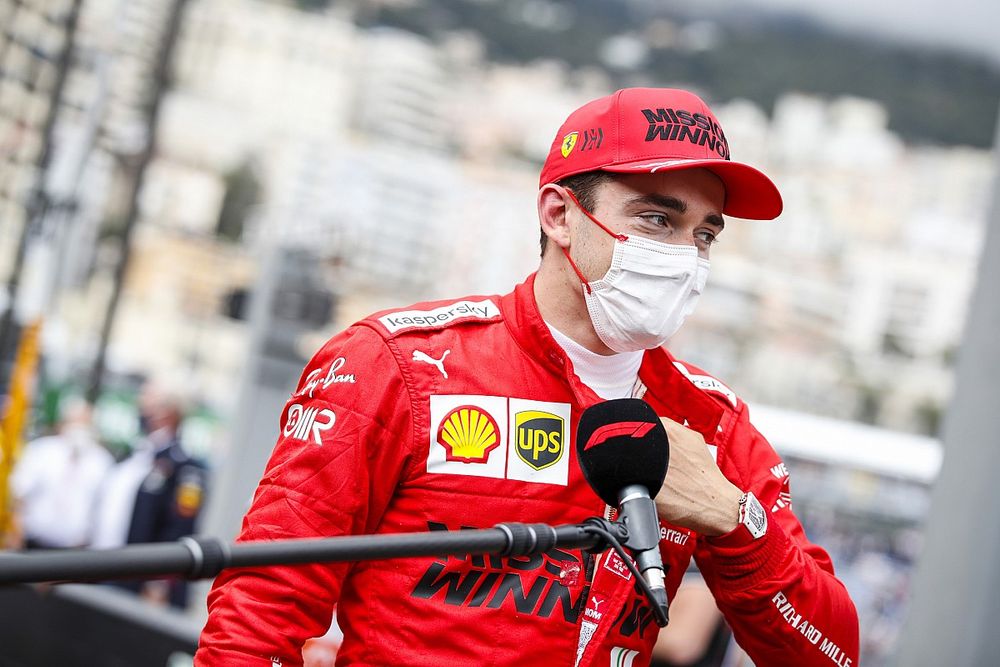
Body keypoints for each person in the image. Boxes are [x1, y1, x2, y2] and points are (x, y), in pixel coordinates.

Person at [197, 88, 859, 666]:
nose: (684, 256)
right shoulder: (396, 365)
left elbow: (831, 653)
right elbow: (260, 612)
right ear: (559, 214)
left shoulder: (712, 422)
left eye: (705, 234)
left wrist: (737, 520)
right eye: (657, 219)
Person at [91, 383, 207, 607]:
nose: (142, 409)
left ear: (169, 412)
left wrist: (160, 581)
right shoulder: (134, 453)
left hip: (139, 579)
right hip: (105, 568)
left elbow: (181, 528)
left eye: (149, 404)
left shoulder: (184, 466)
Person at [9, 399, 112, 549]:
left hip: (76, 549)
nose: (79, 428)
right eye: (75, 421)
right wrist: (15, 531)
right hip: (32, 541)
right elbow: (19, 492)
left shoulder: (101, 461)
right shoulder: (41, 450)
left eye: (85, 423)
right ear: (63, 423)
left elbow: (102, 508)